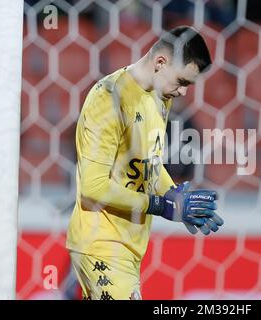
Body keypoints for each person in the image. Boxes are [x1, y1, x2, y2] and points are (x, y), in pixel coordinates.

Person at [66, 26, 224, 300]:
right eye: (183, 82)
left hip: (129, 246)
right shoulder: (109, 98)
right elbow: (92, 188)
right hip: (101, 243)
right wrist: (161, 205)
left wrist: (174, 195)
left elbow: (149, 163)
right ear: (160, 63)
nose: (184, 92)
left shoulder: (159, 96)